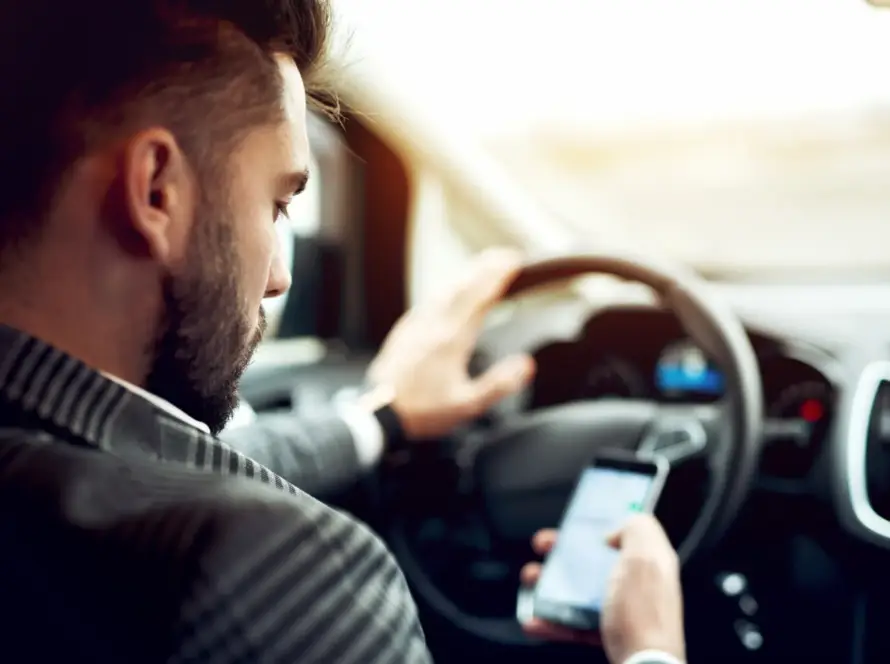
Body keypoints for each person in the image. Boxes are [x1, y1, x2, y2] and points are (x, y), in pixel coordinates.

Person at [0, 0, 685, 662]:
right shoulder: (277, 572)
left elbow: (166, 456)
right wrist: (650, 649)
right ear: (157, 192)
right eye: (275, 203)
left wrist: (382, 418)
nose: (278, 279)